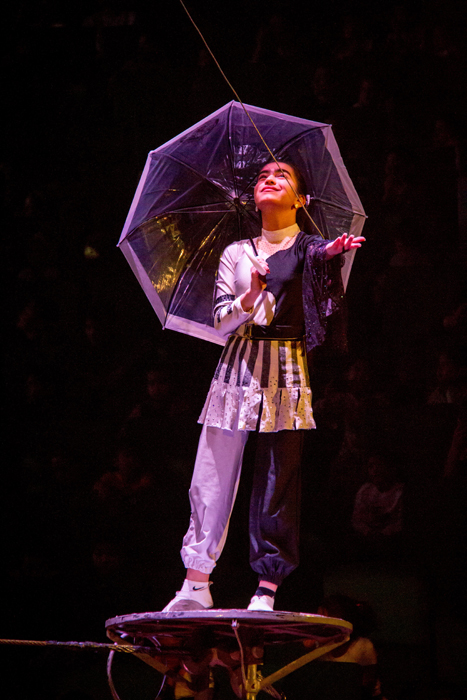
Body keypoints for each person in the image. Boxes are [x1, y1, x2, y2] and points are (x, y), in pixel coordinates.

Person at [163, 159, 365, 612]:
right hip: (236, 364)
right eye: (262, 176)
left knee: (278, 476)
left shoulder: (309, 246)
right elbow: (221, 320)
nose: (270, 179)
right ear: (253, 198)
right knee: (211, 473)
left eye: (282, 176)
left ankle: (267, 585)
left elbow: (319, 258)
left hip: (286, 369)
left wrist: (332, 252)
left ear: (301, 200)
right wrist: (250, 295)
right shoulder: (237, 252)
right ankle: (196, 583)